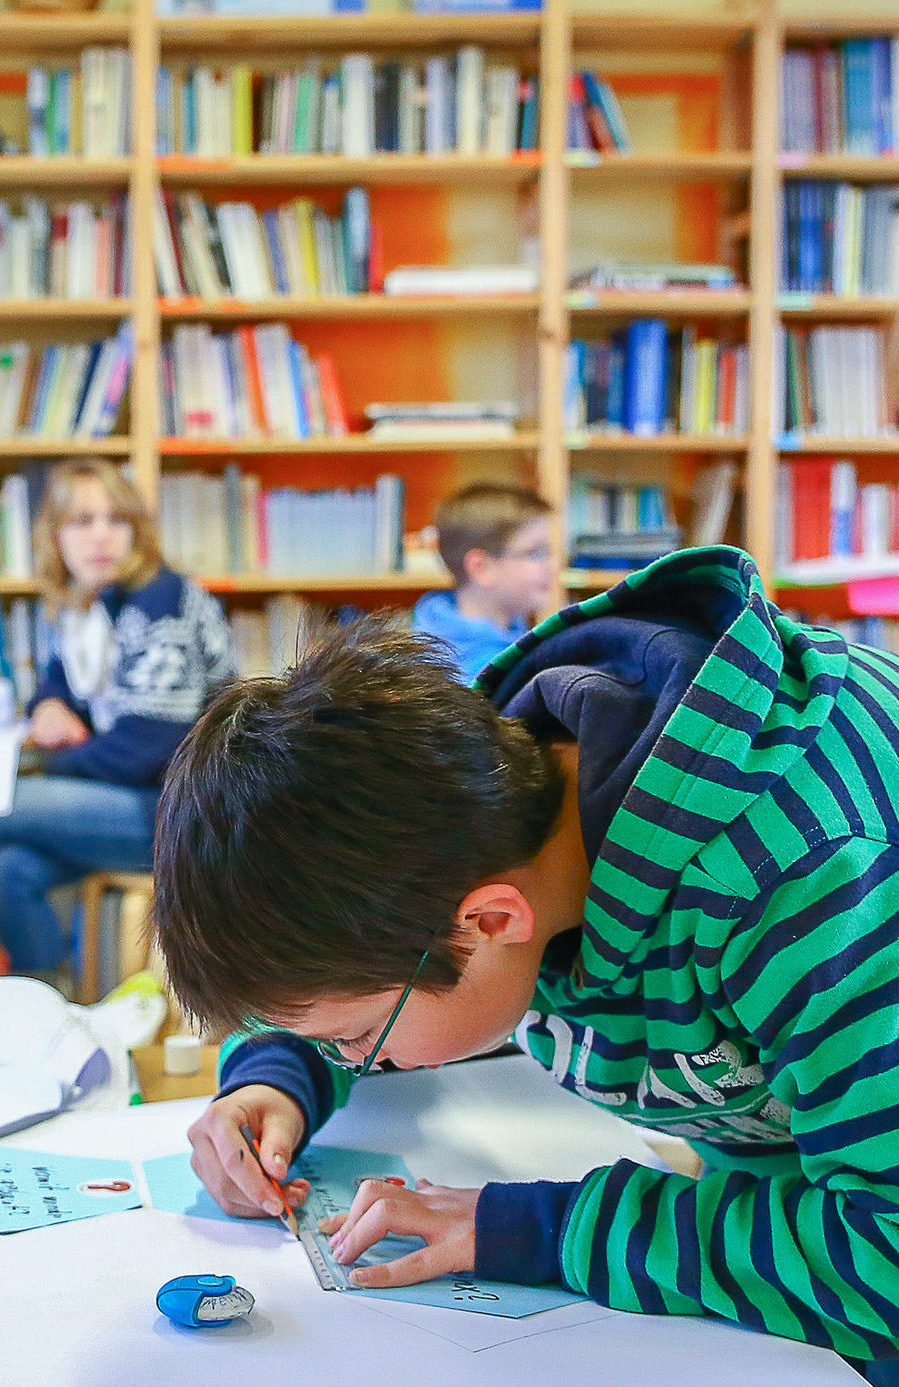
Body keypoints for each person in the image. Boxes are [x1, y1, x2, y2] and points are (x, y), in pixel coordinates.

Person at [154, 547, 899, 1380]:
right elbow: (382, 964)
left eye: (358, 1037)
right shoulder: (469, 812)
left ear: (491, 919)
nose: (356, 1062)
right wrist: (276, 1071)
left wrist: (540, 1229)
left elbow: (889, 1254)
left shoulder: (806, 877)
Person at [0, 461, 235, 987]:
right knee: (11, 868)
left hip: (189, 818)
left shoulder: (159, 601)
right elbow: (57, 682)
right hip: (132, 803)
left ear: (137, 533)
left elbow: (148, 744)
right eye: (82, 520)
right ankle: (48, 1004)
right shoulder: (87, 607)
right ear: (55, 536)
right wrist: (46, 706)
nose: (101, 536)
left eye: (117, 520)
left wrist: (49, 765)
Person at [411, 482, 557, 681]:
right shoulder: (458, 673)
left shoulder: (511, 631)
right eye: (535, 553)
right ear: (481, 568)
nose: (552, 565)